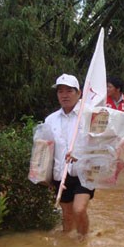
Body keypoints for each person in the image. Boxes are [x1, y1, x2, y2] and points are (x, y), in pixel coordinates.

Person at [45, 74, 95, 237]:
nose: (64, 95)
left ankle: (83, 240)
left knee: (79, 209)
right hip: (61, 172)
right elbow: (46, 150)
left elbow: (101, 145)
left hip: (85, 171)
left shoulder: (91, 115)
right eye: (60, 91)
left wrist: (80, 153)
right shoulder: (50, 120)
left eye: (69, 91)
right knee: (66, 215)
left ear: (79, 93)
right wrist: (43, 175)